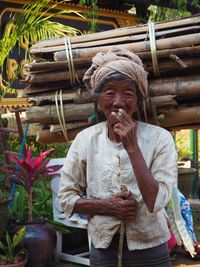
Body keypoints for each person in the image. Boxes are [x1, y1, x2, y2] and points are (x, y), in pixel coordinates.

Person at [58, 48, 178, 267]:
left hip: (151, 251)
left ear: (139, 101)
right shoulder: (86, 140)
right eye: (110, 92)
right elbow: (66, 198)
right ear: (99, 100)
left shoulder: (160, 139)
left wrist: (132, 147)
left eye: (128, 94)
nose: (118, 102)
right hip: (103, 251)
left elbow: (157, 201)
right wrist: (106, 206)